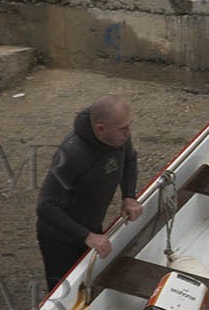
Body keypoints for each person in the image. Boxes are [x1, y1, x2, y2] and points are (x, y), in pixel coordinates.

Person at [36, 96, 140, 287]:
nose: (128, 133)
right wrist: (87, 236)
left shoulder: (119, 138)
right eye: (123, 129)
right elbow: (45, 206)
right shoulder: (72, 153)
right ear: (101, 129)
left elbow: (129, 161)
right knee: (64, 291)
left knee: (92, 282)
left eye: (129, 126)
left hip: (91, 225)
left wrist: (129, 196)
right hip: (60, 237)